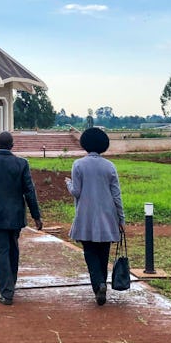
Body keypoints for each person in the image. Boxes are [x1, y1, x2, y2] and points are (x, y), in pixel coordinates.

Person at [0, 131, 42, 305]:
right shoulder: (22, 163)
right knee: (13, 249)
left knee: (1, 251)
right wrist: (36, 216)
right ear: (12, 145)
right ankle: (11, 284)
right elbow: (29, 191)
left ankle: (6, 291)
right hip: (15, 214)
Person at [65, 127, 125, 306]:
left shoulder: (78, 164)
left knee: (90, 252)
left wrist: (68, 183)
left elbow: (76, 192)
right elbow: (117, 196)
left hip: (86, 216)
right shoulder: (110, 166)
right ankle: (102, 283)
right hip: (107, 216)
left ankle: (98, 284)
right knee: (103, 253)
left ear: (84, 144)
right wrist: (121, 219)